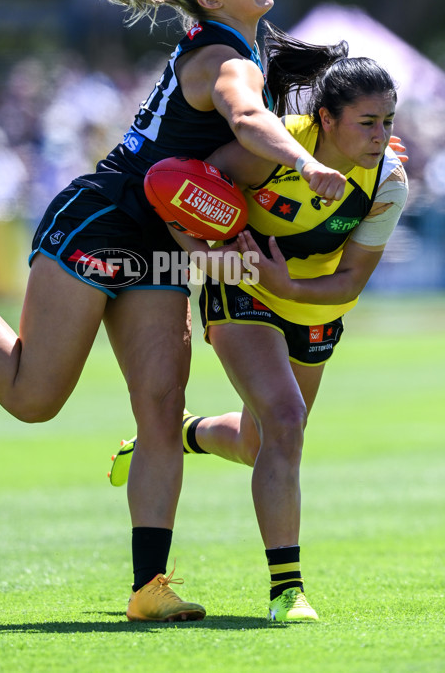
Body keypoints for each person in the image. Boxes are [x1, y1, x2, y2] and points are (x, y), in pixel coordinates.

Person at [0, 0, 352, 623]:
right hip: (105, 221)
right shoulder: (223, 55)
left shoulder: (243, 48)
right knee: (32, 398)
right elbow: (246, 119)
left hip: (160, 241)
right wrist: (306, 163)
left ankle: (149, 588)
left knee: (159, 409)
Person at [108, 56, 409, 621]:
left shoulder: (388, 182)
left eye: (388, 121)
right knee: (287, 420)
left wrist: (287, 280)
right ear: (325, 117)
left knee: (259, 443)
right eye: (367, 122)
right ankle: (287, 591)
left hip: (315, 304)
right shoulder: (268, 151)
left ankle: (182, 434)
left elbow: (350, 280)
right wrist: (206, 259)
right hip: (243, 292)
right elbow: (178, 189)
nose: (381, 136)